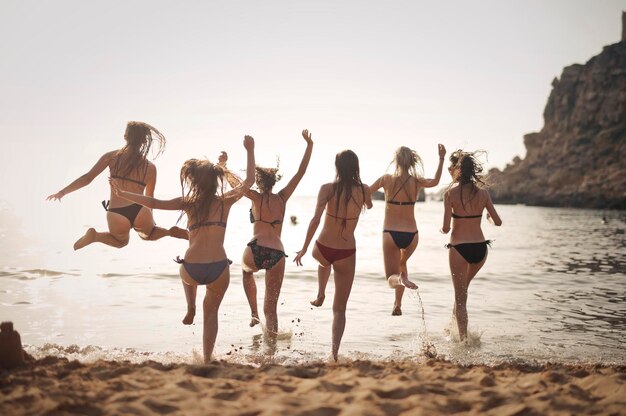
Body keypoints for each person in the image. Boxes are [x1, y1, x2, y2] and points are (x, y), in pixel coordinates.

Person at [111, 136, 256, 363]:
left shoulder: (188, 203)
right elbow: (249, 181)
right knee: (212, 314)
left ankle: (190, 307)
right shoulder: (224, 201)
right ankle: (207, 358)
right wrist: (250, 150)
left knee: (187, 276)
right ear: (214, 182)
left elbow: (153, 202)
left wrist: (122, 194)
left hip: (191, 268)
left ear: (194, 182)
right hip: (218, 268)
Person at [47, 121, 188, 249]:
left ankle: (95, 236)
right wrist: (150, 222)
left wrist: (62, 192)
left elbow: (87, 178)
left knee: (121, 242)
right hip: (141, 210)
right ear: (144, 140)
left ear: (125, 136)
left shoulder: (111, 156)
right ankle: (170, 232)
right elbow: (149, 199)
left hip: (117, 212)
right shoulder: (150, 167)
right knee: (149, 235)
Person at [231, 130, 313, 347]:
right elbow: (301, 172)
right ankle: (271, 350)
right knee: (272, 309)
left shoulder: (255, 197)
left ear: (259, 183)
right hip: (277, 253)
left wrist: (229, 162)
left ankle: (253, 313)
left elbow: (235, 182)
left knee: (246, 272)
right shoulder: (283, 197)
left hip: (255, 248)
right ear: (274, 182)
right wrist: (309, 146)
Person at [293, 150, 372, 361]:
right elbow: (370, 205)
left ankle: (320, 293)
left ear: (337, 166)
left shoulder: (327, 189)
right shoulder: (363, 190)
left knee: (323, 261)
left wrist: (302, 248)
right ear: (356, 167)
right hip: (346, 252)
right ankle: (334, 354)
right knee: (340, 310)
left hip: (322, 247)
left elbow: (315, 220)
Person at [370, 144, 446, 315]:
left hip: (390, 233)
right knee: (402, 263)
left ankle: (400, 280)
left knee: (392, 278)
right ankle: (397, 304)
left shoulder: (386, 179)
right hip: (412, 235)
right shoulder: (416, 181)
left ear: (396, 161)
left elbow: (365, 191)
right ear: (412, 161)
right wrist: (441, 159)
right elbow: (435, 181)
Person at [440, 150, 502, 341]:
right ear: (473, 170)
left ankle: (464, 341)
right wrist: (487, 218)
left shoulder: (450, 194)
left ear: (458, 171)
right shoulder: (483, 194)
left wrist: (442, 231)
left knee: (460, 298)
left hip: (459, 248)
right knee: (462, 291)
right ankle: (451, 328)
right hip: (480, 250)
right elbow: (498, 222)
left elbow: (445, 227)